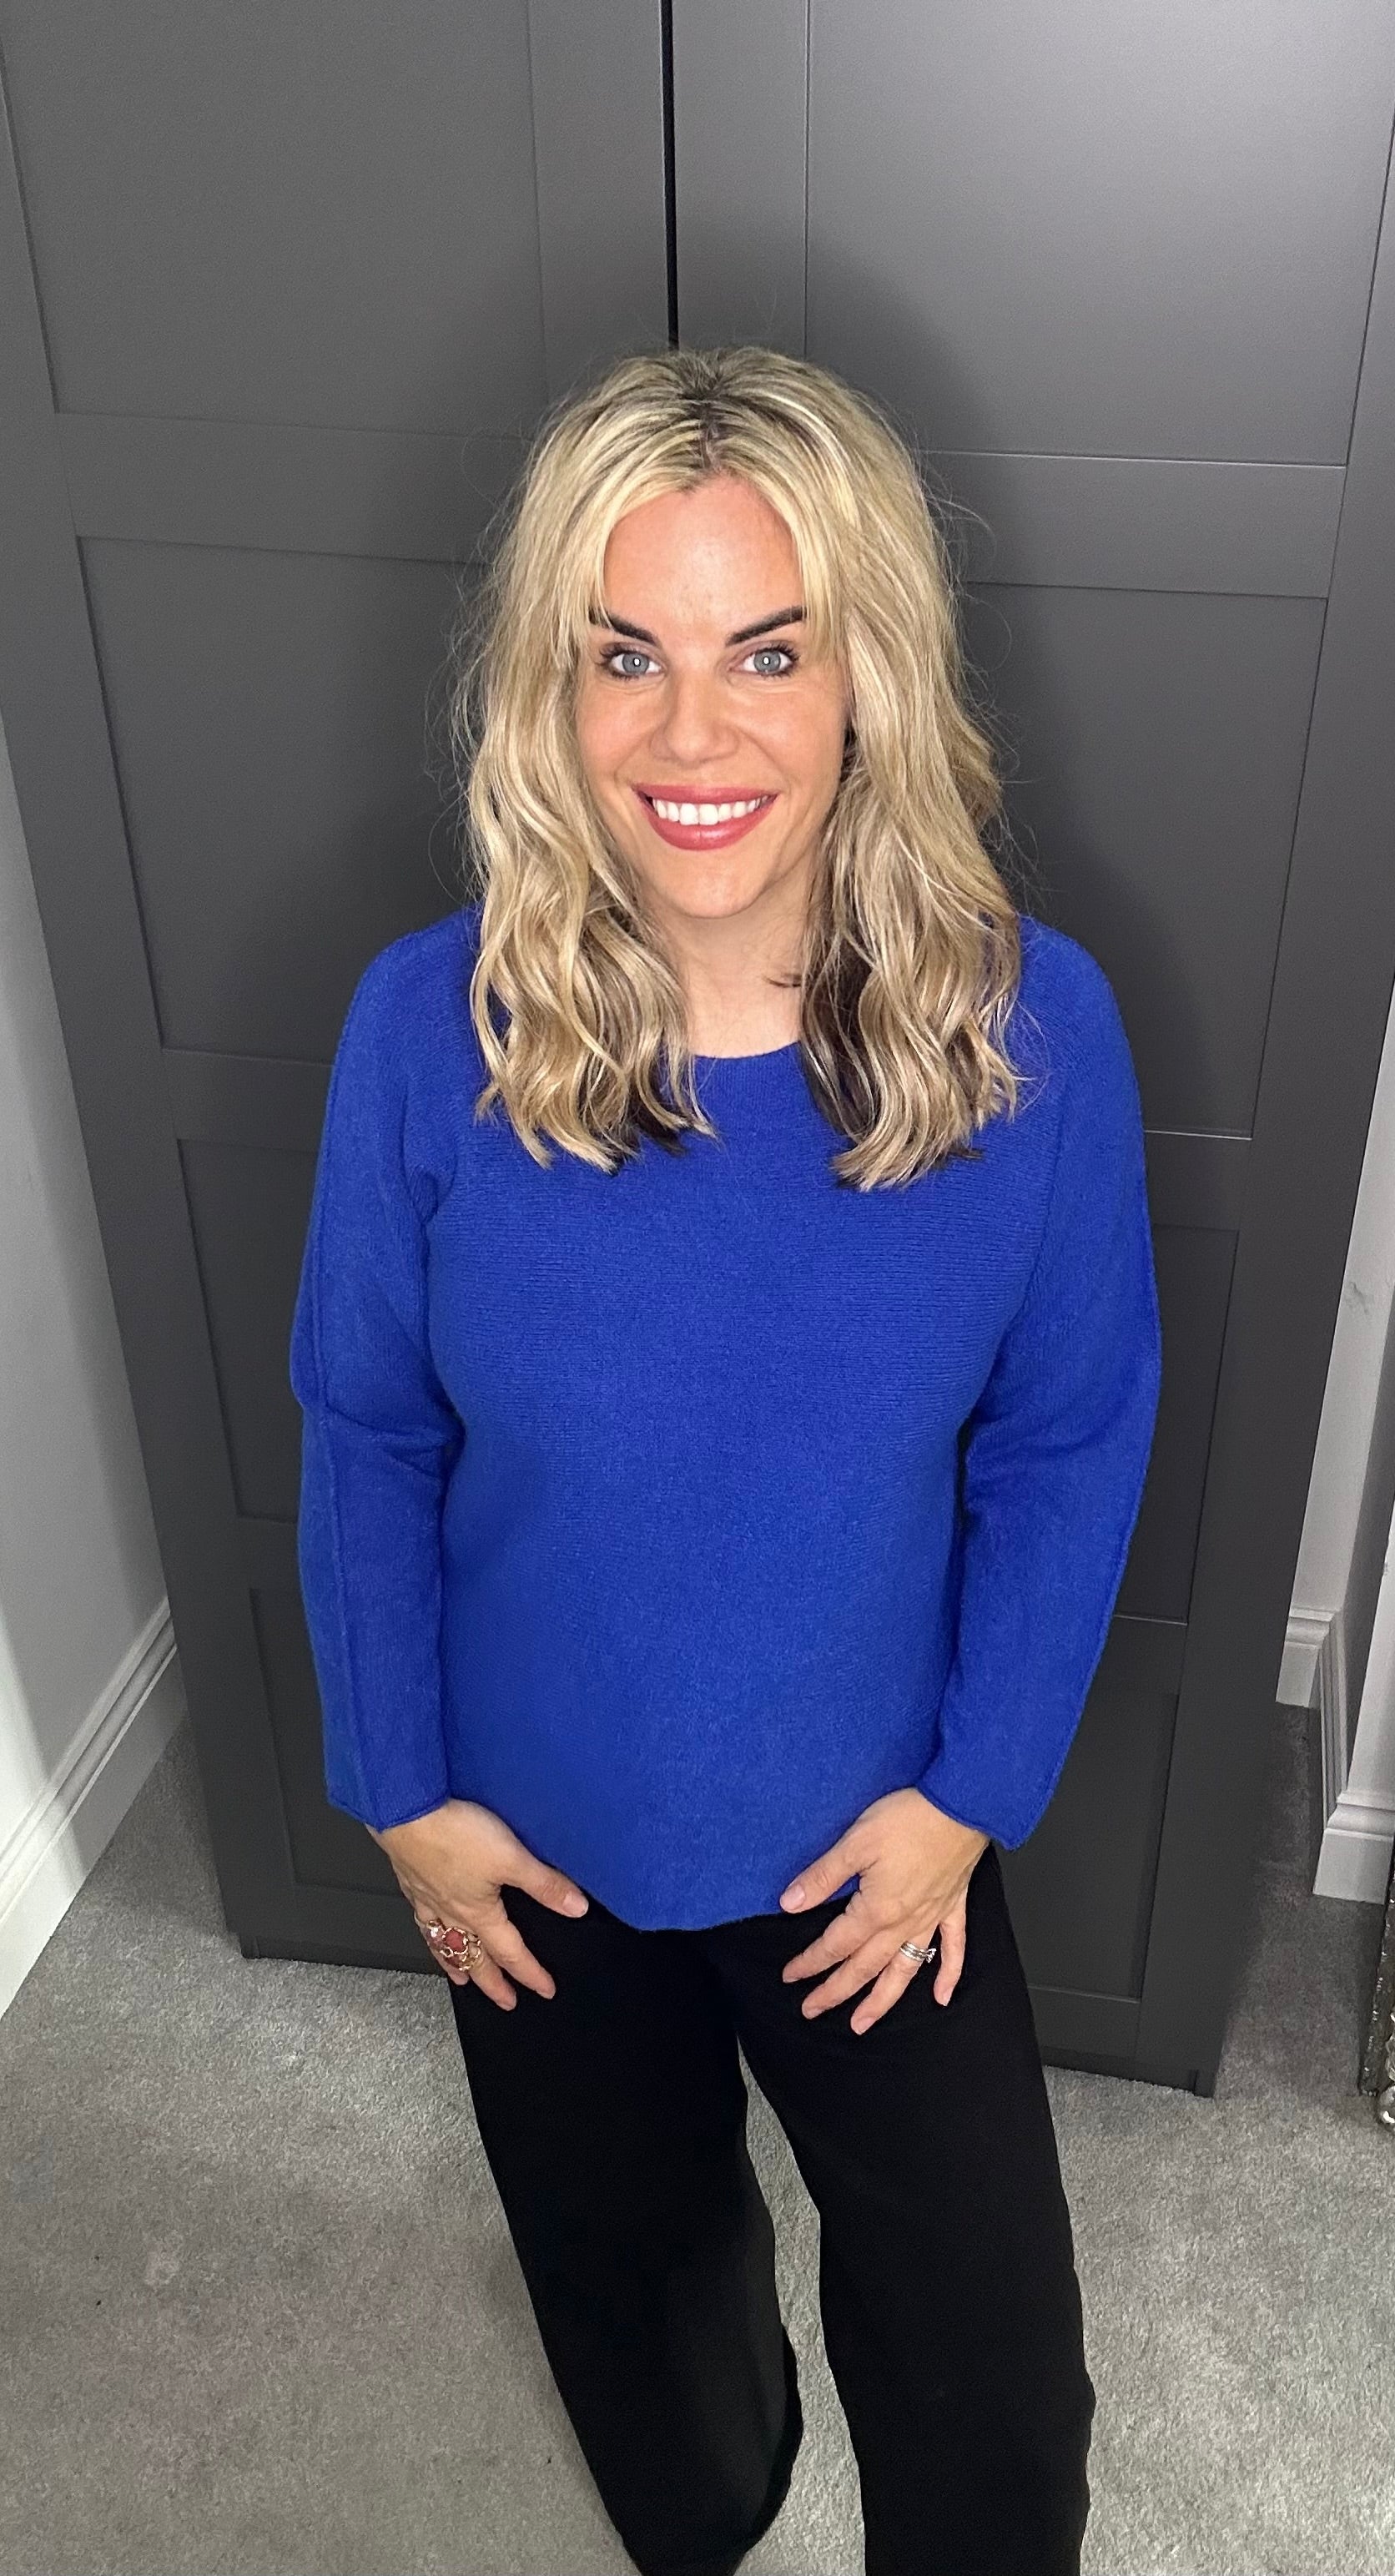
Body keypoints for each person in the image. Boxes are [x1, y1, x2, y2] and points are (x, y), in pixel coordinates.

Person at [289, 344, 1163, 2576]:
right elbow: (368, 1431)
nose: (695, 737)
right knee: (646, 2338)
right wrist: (403, 1791)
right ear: (550, 688)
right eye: (627, 656)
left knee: (991, 2393)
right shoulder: (423, 1030)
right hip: (534, 1857)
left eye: (769, 652)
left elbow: (1068, 1443)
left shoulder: (1032, 1033)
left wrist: (970, 1800)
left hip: (875, 1856)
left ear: (868, 677)